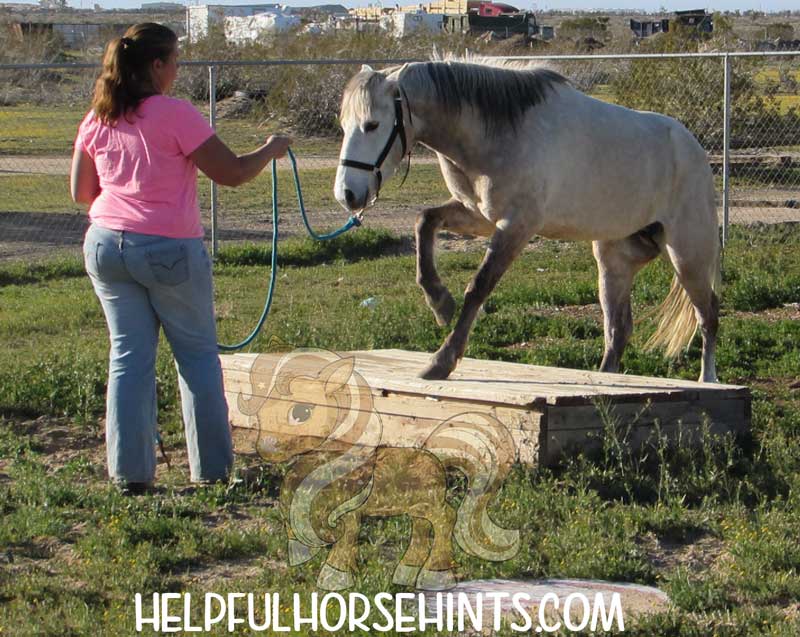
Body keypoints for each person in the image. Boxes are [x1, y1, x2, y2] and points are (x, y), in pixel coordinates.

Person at [70, 22, 292, 495]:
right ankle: (212, 470)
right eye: (173, 61)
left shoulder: (98, 117)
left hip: (106, 245)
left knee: (128, 358)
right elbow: (230, 173)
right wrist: (270, 150)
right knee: (195, 358)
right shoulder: (175, 114)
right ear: (156, 65)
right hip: (169, 248)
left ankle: (129, 475)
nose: (176, 69)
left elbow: (80, 192)